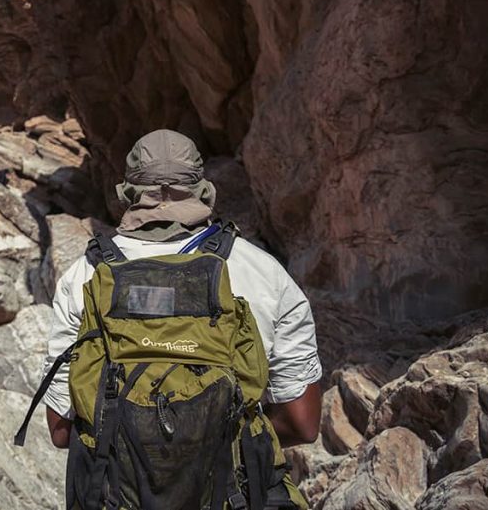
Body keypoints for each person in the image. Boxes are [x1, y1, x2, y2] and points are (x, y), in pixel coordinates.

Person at [40, 129, 322, 504]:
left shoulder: (86, 275)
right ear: (205, 190)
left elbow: (61, 431)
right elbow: (303, 423)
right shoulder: (261, 271)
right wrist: (208, 438)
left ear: (126, 193)